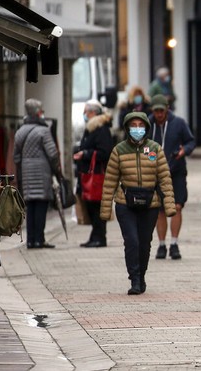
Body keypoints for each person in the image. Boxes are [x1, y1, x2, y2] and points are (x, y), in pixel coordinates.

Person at [100, 112, 176, 295]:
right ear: (127, 128)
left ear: (146, 128)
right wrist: (105, 210)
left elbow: (165, 178)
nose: (137, 129)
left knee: (145, 242)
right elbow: (110, 180)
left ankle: (141, 276)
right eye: (133, 125)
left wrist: (169, 204)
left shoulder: (155, 149)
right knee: (131, 241)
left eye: (140, 125)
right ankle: (134, 278)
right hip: (125, 203)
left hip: (150, 204)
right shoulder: (119, 150)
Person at [149, 94, 196, 260]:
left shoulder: (179, 123)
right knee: (159, 209)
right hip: (155, 174)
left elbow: (191, 141)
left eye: (162, 110)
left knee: (177, 207)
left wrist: (183, 151)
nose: (159, 114)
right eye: (156, 111)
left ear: (167, 109)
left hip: (176, 171)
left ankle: (174, 243)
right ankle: (161, 245)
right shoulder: (148, 124)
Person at [13, 98, 61, 249]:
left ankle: (31, 240)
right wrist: (57, 170)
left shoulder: (20, 132)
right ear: (38, 113)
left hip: (27, 173)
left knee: (30, 207)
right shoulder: (43, 131)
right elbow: (52, 154)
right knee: (41, 206)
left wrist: (22, 170)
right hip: (42, 173)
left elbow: (16, 156)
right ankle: (40, 239)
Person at [73, 99, 113, 248]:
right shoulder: (91, 128)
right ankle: (95, 236)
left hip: (96, 175)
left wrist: (86, 154)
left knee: (97, 207)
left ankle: (99, 237)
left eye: (86, 111)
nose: (84, 114)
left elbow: (105, 152)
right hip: (87, 174)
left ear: (93, 112)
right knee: (90, 206)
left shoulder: (100, 128)